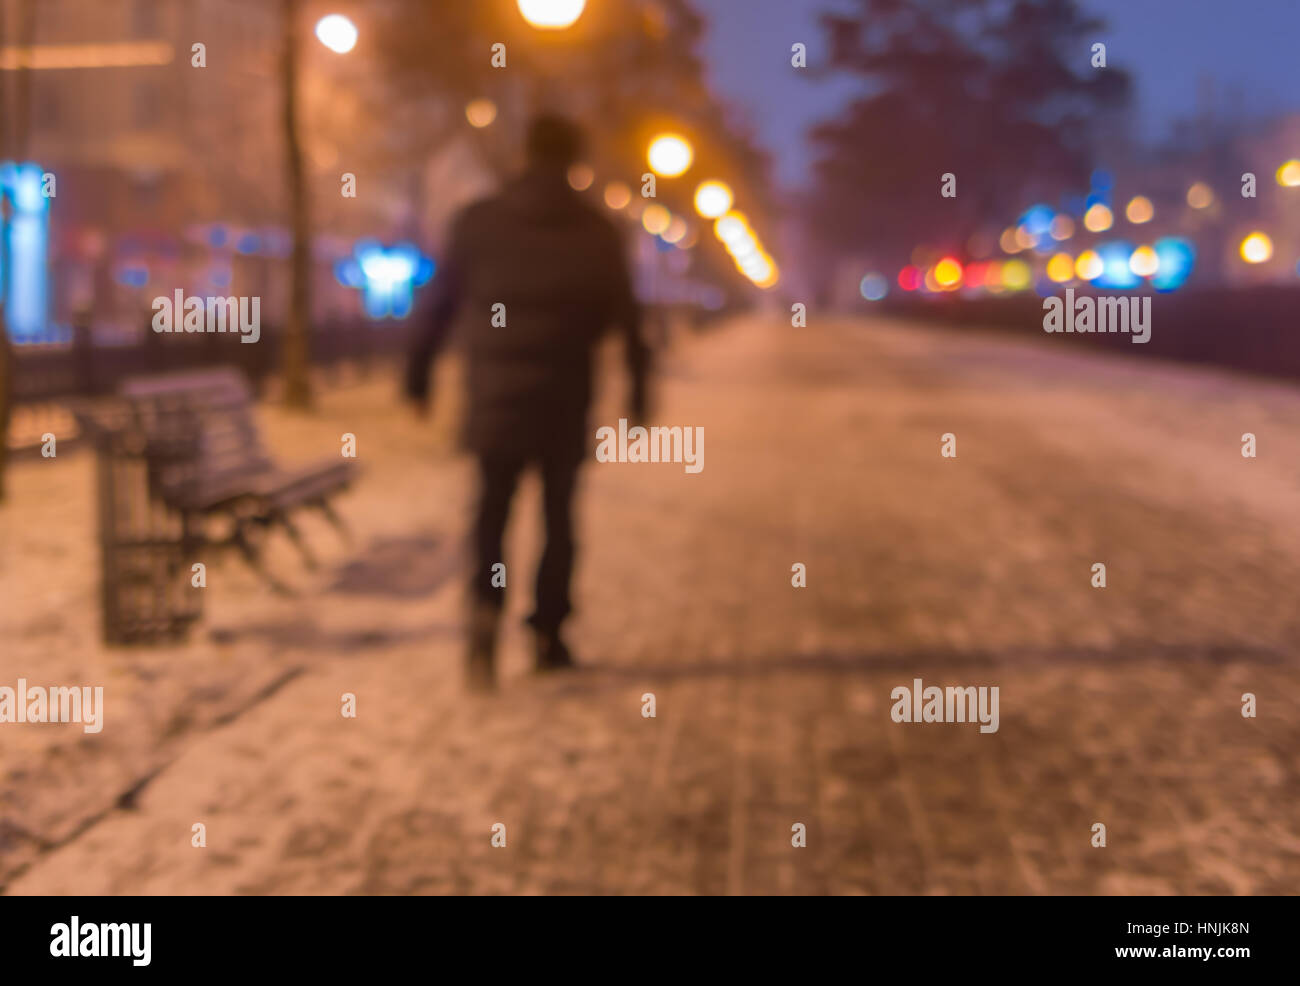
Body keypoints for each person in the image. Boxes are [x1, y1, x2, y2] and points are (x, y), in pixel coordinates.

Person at [405, 114, 649, 692]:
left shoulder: (480, 222)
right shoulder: (597, 231)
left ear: (524, 152)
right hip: (564, 396)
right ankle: (548, 632)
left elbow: (440, 303)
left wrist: (418, 373)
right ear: (575, 159)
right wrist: (640, 388)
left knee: (492, 512)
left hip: (496, 394)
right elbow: (629, 320)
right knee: (559, 518)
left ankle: (485, 617)